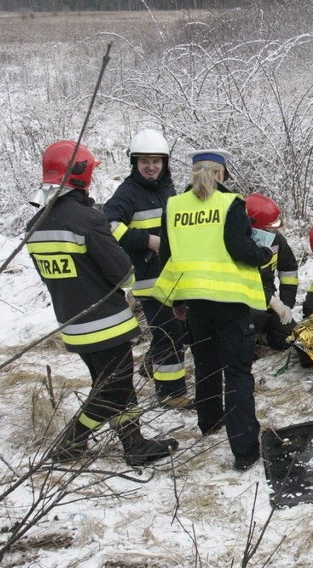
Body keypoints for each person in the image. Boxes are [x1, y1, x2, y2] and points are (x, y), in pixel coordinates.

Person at [27, 140, 179, 466]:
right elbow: (124, 274)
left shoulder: (35, 227)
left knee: (114, 386)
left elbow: (53, 276)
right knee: (112, 391)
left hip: (72, 323)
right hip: (107, 324)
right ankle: (72, 442)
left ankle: (134, 443)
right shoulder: (88, 220)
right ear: (82, 176)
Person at [152, 148, 272, 471]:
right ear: (221, 175)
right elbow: (240, 248)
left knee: (206, 365)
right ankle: (245, 451)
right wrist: (264, 254)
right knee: (237, 373)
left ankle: (209, 424)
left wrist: (177, 300)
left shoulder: (174, 206)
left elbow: (167, 255)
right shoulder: (229, 204)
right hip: (229, 303)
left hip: (195, 304)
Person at [104, 129, 190, 409]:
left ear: (164, 163)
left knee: (178, 329)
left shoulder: (167, 188)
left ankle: (152, 365)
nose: (151, 167)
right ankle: (171, 393)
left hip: (174, 276)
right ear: (135, 163)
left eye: (156, 161)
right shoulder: (128, 192)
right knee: (170, 334)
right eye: (144, 161)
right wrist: (146, 240)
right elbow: (109, 225)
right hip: (150, 279)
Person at [244, 193, 299, 351]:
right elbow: (245, 283)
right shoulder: (236, 244)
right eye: (266, 228)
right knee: (255, 315)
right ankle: (244, 340)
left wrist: (285, 305)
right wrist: (271, 301)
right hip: (242, 302)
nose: (271, 232)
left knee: (287, 336)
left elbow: (289, 270)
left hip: (268, 298)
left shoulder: (276, 240)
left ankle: (257, 336)